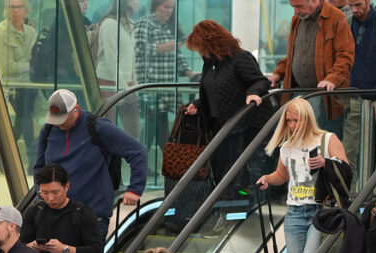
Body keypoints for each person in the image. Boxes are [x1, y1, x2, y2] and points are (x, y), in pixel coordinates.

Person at [256, 97, 350, 253]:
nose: (292, 126)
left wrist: (326, 163)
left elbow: (346, 169)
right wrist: (268, 179)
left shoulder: (326, 140)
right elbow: (282, 175)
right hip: (294, 212)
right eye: (288, 121)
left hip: (320, 211)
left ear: (307, 119)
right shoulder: (287, 147)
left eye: (296, 120)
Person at [34, 89, 148, 239]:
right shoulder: (48, 129)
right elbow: (39, 166)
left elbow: (138, 152)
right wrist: (41, 192)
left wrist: (134, 189)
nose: (58, 124)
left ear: (76, 109)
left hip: (92, 217)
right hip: (55, 215)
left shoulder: (98, 127)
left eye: (62, 118)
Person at [184, 20, 272, 198]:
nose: (200, 52)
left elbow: (260, 80)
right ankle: (228, 200)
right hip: (219, 123)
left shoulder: (240, 58)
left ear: (212, 43)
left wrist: (253, 93)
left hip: (242, 124)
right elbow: (214, 89)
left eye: (201, 47)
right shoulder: (210, 63)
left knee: (236, 168)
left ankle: (242, 200)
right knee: (221, 165)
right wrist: (198, 103)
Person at [268, 0, 355, 130]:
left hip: (324, 97)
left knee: (322, 143)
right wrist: (278, 73)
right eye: (293, 7)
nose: (296, 11)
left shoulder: (336, 18)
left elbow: (346, 55)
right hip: (298, 93)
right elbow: (293, 54)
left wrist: (332, 78)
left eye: (299, 6)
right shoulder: (297, 20)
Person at [343, 0, 376, 181]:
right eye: (351, 5)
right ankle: (349, 196)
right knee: (349, 149)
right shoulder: (347, 23)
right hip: (354, 96)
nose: (354, 10)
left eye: (358, 4)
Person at [134, 0, 194, 151]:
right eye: (165, 7)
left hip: (166, 85)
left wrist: (189, 73)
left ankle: (164, 162)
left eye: (171, 8)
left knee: (159, 124)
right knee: (153, 124)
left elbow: (177, 54)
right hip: (152, 85)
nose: (169, 11)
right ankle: (161, 162)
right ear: (155, 6)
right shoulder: (144, 23)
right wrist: (164, 47)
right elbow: (138, 49)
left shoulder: (169, 26)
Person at [0, 0, 38, 169]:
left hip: (30, 85)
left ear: (26, 10)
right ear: (6, 10)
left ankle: (1, 158)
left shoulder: (31, 32)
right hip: (11, 86)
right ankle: (33, 158)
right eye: (12, 7)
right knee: (25, 118)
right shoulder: (1, 31)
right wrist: (30, 66)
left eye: (19, 7)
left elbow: (38, 60)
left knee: (21, 120)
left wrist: (33, 67)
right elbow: (7, 67)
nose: (16, 11)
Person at [95, 0, 141, 138]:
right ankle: (110, 160)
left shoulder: (130, 24)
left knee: (133, 129)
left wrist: (134, 82)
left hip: (127, 84)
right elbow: (111, 59)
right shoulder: (109, 24)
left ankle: (126, 158)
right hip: (109, 82)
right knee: (108, 128)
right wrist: (123, 86)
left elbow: (131, 57)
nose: (138, 2)